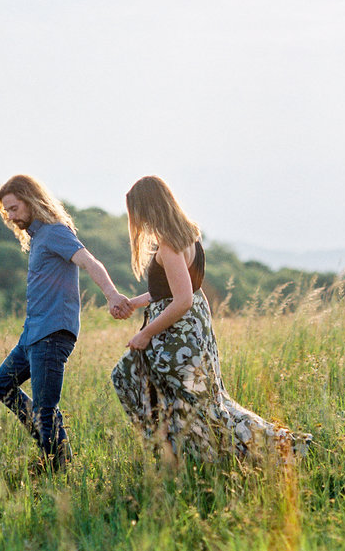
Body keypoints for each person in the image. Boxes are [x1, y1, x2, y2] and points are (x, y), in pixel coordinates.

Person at [110, 175, 312, 464]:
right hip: (191, 329)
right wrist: (135, 302)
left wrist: (145, 334)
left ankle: (280, 447)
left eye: (138, 213)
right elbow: (173, 290)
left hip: (177, 336)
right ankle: (195, 456)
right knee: (204, 403)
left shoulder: (169, 247)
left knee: (191, 402)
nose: (137, 221)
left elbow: (182, 300)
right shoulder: (190, 236)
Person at [0, 174, 130, 472]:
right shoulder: (39, 237)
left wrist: (112, 295)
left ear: (30, 200)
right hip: (32, 334)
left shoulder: (55, 232)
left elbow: (90, 261)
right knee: (2, 385)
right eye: (7, 212)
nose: (11, 217)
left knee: (45, 407)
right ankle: (50, 447)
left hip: (53, 333)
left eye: (14, 208)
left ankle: (56, 465)